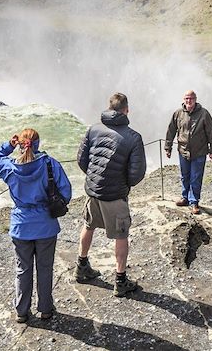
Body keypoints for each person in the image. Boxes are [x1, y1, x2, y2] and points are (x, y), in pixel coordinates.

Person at [0, 129, 72, 323]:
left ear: (20, 145)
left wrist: (8, 145)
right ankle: (45, 309)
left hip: (21, 226)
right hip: (46, 225)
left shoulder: (9, 168)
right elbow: (66, 192)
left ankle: (22, 311)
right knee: (45, 268)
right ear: (38, 144)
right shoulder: (50, 164)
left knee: (23, 269)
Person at [76, 92, 146, 297]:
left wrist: (95, 178)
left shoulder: (92, 129)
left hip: (94, 191)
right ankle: (120, 280)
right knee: (121, 234)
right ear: (126, 110)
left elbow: (81, 159)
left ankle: (81, 266)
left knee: (88, 225)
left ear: (109, 108)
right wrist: (121, 184)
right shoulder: (133, 137)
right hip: (115, 195)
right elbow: (136, 174)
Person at [165, 90, 212, 215]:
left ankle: (194, 201)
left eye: (191, 98)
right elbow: (171, 131)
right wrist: (168, 147)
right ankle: (185, 198)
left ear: (195, 99)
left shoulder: (204, 114)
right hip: (183, 150)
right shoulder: (178, 113)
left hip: (199, 152)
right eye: (187, 98)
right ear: (184, 99)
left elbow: (211, 132)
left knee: (196, 178)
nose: (189, 101)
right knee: (185, 176)